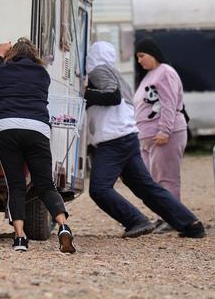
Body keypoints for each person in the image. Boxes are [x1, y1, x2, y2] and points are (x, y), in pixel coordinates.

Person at [85, 42, 205, 238]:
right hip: (129, 137)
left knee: (99, 189)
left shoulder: (98, 70)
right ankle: (190, 223)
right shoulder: (115, 73)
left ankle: (136, 220)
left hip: (114, 139)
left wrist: (83, 95)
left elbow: (112, 96)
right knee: (147, 187)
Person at [0, 38, 76, 253]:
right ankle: (63, 226)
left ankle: (20, 237)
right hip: (37, 128)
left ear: (13, 55)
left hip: (7, 127)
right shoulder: (43, 74)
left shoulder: (4, 70)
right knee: (46, 185)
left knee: (16, 185)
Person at [134, 37, 189, 232]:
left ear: (153, 54)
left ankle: (173, 217)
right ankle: (162, 214)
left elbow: (168, 103)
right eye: (137, 57)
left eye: (142, 55)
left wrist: (164, 130)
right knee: (153, 179)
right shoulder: (149, 75)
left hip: (164, 134)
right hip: (147, 136)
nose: (139, 60)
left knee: (167, 178)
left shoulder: (165, 73)